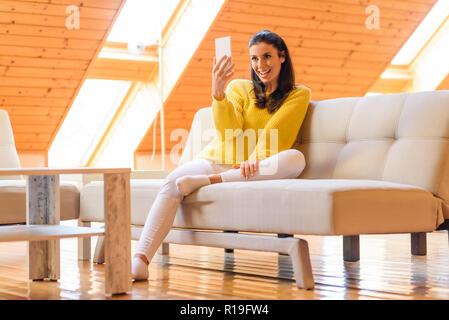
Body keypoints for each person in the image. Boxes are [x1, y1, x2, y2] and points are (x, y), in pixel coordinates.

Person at [132, 30, 311, 280]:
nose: (261, 65)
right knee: (172, 182)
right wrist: (218, 93)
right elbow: (229, 133)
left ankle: (209, 182)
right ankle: (140, 259)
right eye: (254, 59)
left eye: (267, 56)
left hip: (257, 167)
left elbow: (277, 132)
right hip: (216, 161)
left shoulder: (299, 94)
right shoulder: (239, 87)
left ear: (282, 57)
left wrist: (256, 158)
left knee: (295, 159)